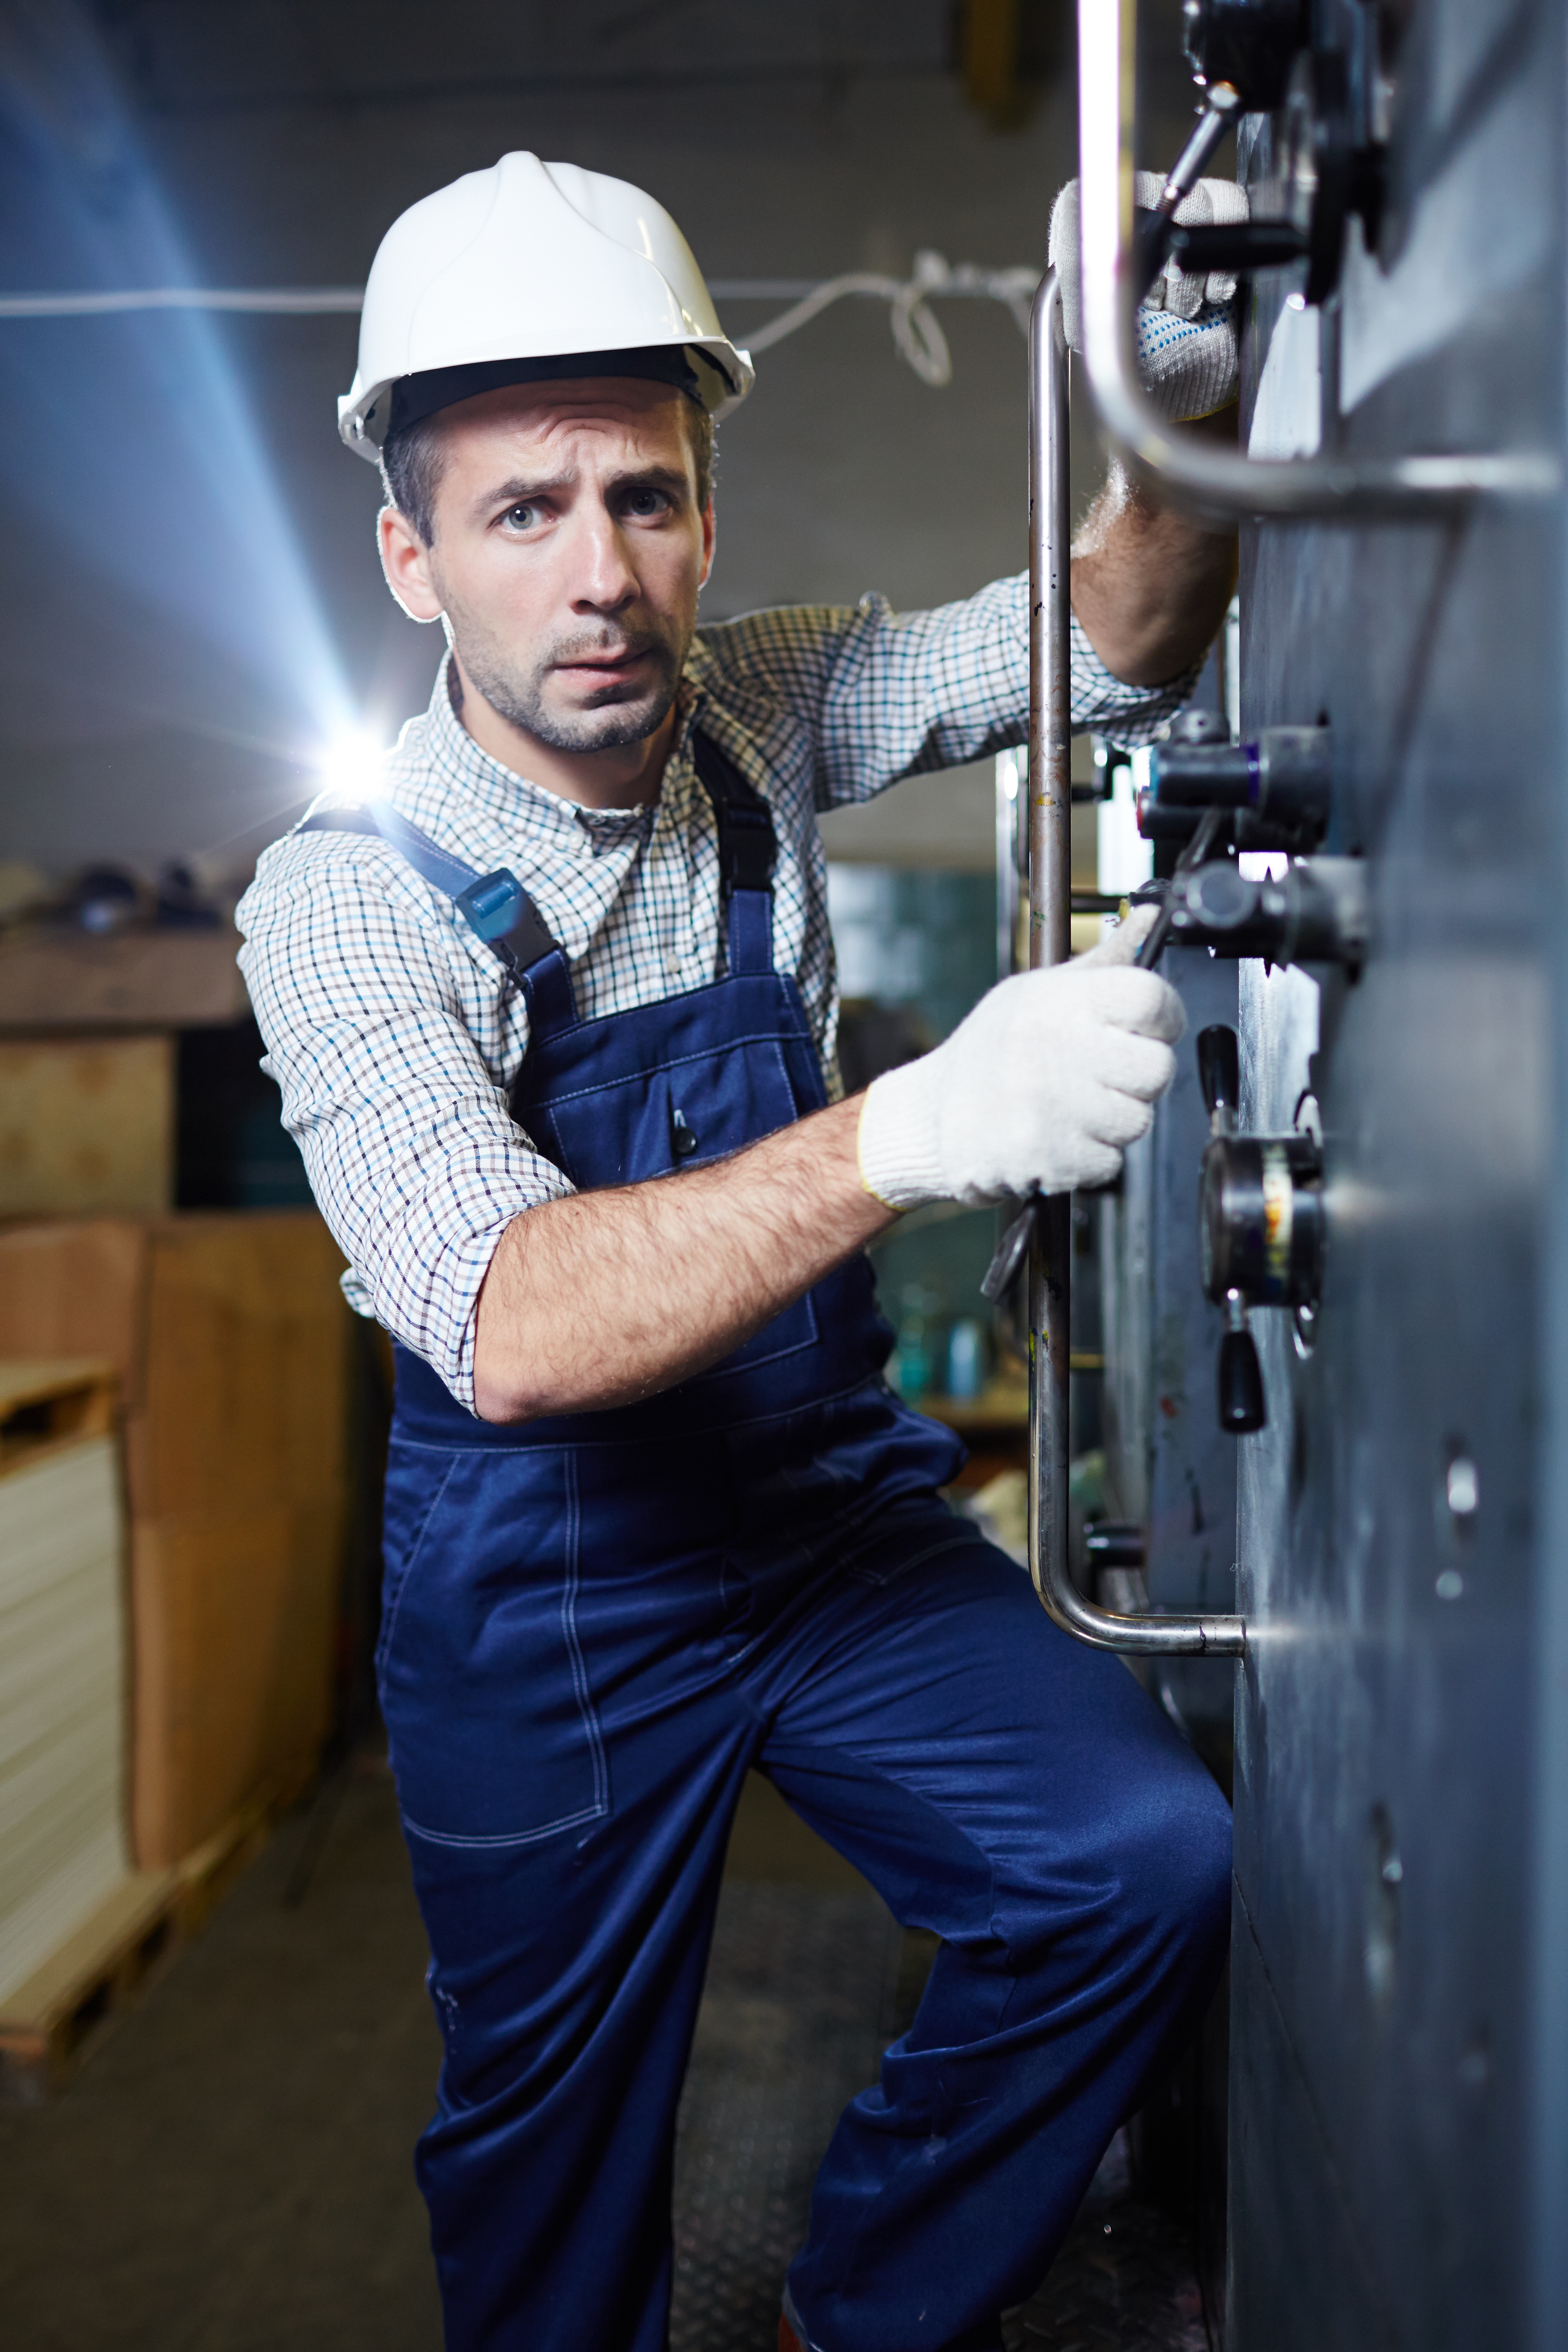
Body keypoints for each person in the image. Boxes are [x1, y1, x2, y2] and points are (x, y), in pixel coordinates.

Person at [239, 153, 1241, 2352]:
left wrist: (1183, 384)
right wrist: (906, 1131)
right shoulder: (347, 897)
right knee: (552, 2159)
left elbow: (1118, 633)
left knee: (1136, 1866)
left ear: (710, 509)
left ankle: (856, 2317)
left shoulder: (761, 712)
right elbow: (506, 1321)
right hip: (549, 1581)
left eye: (647, 498)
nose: (601, 578)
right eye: (524, 515)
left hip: (806, 1515)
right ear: (414, 553)